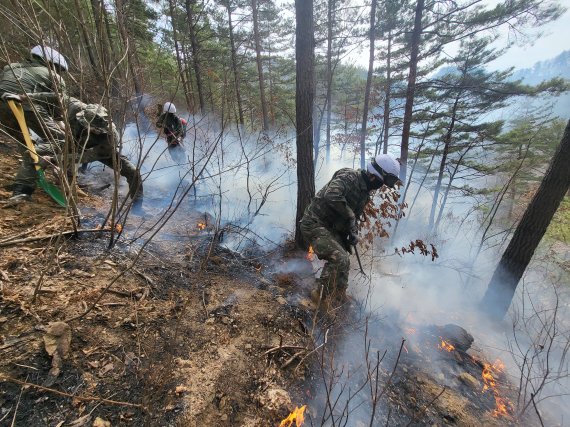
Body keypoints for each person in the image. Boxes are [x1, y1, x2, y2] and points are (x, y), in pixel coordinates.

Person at [300, 154, 401, 308]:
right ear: (374, 176)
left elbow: (354, 218)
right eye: (381, 183)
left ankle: (339, 293)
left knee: (345, 256)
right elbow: (331, 195)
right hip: (314, 223)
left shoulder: (364, 194)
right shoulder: (349, 176)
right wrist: (350, 215)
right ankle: (319, 298)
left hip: (330, 229)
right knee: (339, 258)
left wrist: (353, 232)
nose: (381, 186)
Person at [15, 93, 144, 207]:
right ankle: (22, 190)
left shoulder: (110, 136)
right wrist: (25, 97)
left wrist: (54, 160)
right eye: (92, 128)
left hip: (97, 151)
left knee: (133, 172)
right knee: (33, 151)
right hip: (73, 142)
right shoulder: (75, 107)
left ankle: (137, 204)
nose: (95, 131)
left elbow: (86, 157)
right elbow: (57, 96)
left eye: (98, 129)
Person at [0, 45, 68, 201]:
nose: (58, 72)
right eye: (58, 68)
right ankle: (25, 183)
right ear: (52, 64)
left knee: (26, 143)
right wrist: (59, 122)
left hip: (2, 107)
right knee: (61, 141)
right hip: (27, 106)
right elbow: (59, 101)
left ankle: (21, 189)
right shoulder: (54, 76)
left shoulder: (11, 67)